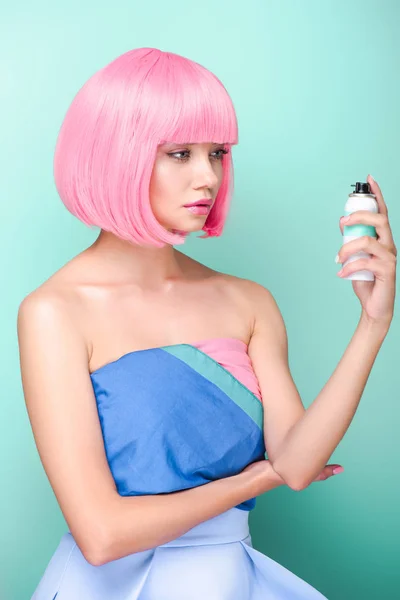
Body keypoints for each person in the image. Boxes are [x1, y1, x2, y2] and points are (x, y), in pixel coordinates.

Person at [17, 47, 397, 600]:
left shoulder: (246, 301)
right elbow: (100, 534)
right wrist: (253, 479)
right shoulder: (54, 312)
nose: (209, 176)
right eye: (179, 154)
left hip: (227, 582)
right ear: (115, 156)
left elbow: (295, 461)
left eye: (217, 152)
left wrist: (373, 323)